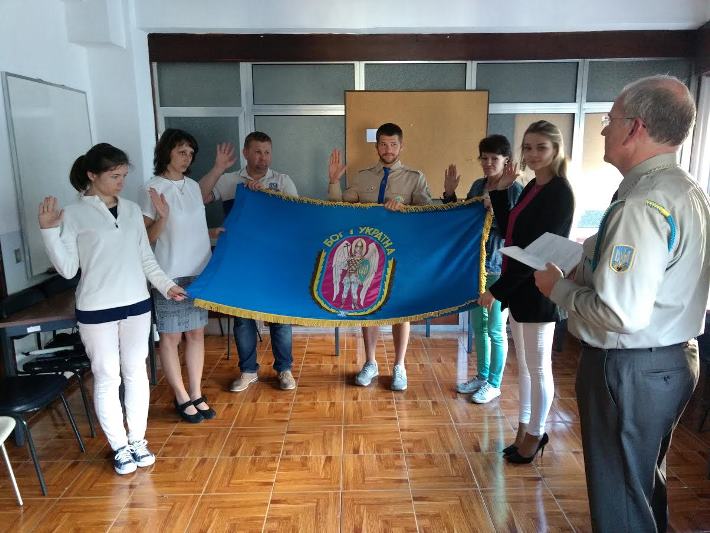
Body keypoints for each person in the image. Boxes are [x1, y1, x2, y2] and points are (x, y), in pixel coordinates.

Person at [534, 75, 709, 533]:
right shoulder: (684, 189)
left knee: (620, 499)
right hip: (669, 360)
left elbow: (620, 313)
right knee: (640, 484)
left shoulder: (642, 203)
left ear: (635, 127)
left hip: (629, 367)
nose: (604, 130)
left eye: (609, 120)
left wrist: (557, 289)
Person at [38, 143, 186, 475]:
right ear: (92, 175)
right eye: (114, 176)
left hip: (137, 304)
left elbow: (146, 258)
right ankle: (119, 447)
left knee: (136, 373)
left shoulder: (131, 210)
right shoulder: (73, 214)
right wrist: (48, 231)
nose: (121, 182)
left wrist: (167, 286)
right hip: (96, 309)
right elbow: (67, 269)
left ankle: (138, 440)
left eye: (123, 175)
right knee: (107, 375)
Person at [478, 120, 575, 463]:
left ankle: (535, 435)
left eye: (541, 148)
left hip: (539, 291)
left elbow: (537, 253)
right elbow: (510, 233)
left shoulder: (559, 192)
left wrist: (497, 291)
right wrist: (502, 190)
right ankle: (523, 428)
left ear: (556, 150)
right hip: (521, 289)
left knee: (539, 368)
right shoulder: (533, 185)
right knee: (526, 368)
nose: (533, 154)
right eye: (528, 148)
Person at [328, 122, 433, 391]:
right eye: (383, 144)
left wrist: (404, 209)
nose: (388, 150)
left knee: (401, 310)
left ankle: (399, 366)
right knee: (369, 307)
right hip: (369, 255)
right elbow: (339, 206)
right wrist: (333, 182)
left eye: (393, 144)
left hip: (402, 255)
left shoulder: (415, 178)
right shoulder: (362, 177)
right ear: (376, 146)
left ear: (401, 146)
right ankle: (371, 362)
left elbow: (428, 216)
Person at [141, 129, 236, 423]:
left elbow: (189, 224)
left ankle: (195, 393)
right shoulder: (153, 188)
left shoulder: (193, 186)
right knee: (171, 337)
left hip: (199, 273)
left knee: (196, 334)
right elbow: (145, 238)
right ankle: (181, 396)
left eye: (191, 153)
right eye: (181, 152)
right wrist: (162, 217)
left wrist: (209, 231)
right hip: (169, 276)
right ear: (166, 152)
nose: (187, 158)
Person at [199, 131, 298, 392]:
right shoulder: (229, 180)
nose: (262, 157)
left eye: (267, 152)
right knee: (243, 318)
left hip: (274, 261)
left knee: (280, 316)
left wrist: (266, 196)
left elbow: (295, 215)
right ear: (245, 153)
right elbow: (198, 197)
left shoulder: (282, 181)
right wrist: (218, 168)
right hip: (239, 261)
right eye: (257, 152)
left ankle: (284, 370)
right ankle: (248, 371)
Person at [443, 134, 523, 404]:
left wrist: (495, 205)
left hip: (500, 267)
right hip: (476, 265)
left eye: (494, 158)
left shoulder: (514, 189)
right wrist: (450, 195)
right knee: (479, 325)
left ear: (506, 160)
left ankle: (494, 383)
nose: (488, 163)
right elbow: (463, 220)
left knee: (496, 328)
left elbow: (514, 230)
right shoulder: (479, 185)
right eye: (484, 158)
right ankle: (482, 375)